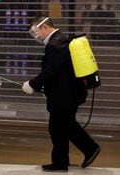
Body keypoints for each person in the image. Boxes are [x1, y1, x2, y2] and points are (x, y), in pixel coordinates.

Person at [22, 16, 101, 172]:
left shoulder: (55, 44)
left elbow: (50, 71)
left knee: (58, 128)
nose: (36, 36)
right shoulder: (61, 39)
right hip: (68, 92)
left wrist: (32, 84)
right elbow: (60, 72)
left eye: (35, 32)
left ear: (45, 27)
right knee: (65, 125)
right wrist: (45, 89)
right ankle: (72, 157)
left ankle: (70, 158)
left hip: (64, 95)